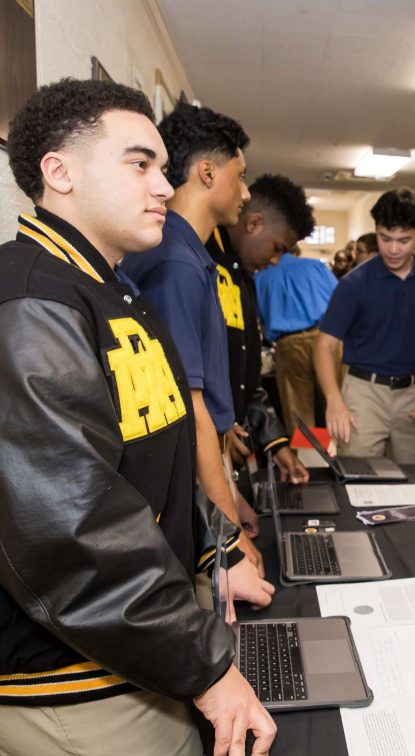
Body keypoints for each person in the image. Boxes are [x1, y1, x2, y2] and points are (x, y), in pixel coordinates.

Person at [0, 77, 275, 756]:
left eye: (162, 166)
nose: (163, 185)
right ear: (58, 172)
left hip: (144, 641)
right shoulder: (31, 302)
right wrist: (207, 668)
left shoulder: (109, 289)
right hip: (78, 676)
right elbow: (72, 532)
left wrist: (220, 554)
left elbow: (163, 456)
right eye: (139, 164)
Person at [120, 101, 266, 566]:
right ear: (207, 172)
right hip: (186, 474)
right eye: (239, 176)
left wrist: (232, 497)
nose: (245, 194)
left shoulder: (191, 255)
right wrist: (228, 538)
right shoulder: (175, 262)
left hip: (209, 464)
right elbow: (190, 407)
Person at [315, 188, 415, 463]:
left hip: (413, 396)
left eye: (404, 240)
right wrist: (334, 400)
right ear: (376, 231)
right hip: (363, 393)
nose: (393, 249)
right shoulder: (353, 283)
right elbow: (325, 345)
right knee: (358, 477)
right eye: (385, 238)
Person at [206, 173, 315, 489]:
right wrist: (216, 424)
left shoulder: (243, 277)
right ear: (254, 224)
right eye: (277, 247)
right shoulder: (201, 263)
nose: (276, 260)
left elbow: (247, 376)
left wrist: (275, 442)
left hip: (233, 450)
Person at [254, 236, 338, 437]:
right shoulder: (315, 267)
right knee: (336, 402)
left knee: (299, 412)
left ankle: (310, 463)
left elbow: (261, 319)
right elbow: (340, 301)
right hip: (326, 339)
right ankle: (343, 459)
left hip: (288, 344)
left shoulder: (261, 278)